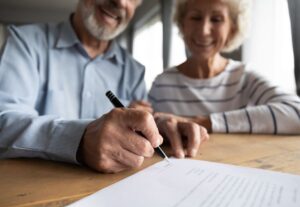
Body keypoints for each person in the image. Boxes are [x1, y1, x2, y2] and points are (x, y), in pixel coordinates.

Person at [0, 0, 209, 173]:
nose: (119, 1)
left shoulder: (134, 71)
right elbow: (5, 122)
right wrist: (79, 139)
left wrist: (159, 125)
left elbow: (139, 125)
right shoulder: (25, 43)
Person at [149, 0, 300, 134]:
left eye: (216, 19)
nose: (204, 30)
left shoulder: (244, 77)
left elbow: (296, 112)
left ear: (232, 30)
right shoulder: (161, 83)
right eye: (195, 17)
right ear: (183, 24)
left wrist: (203, 122)